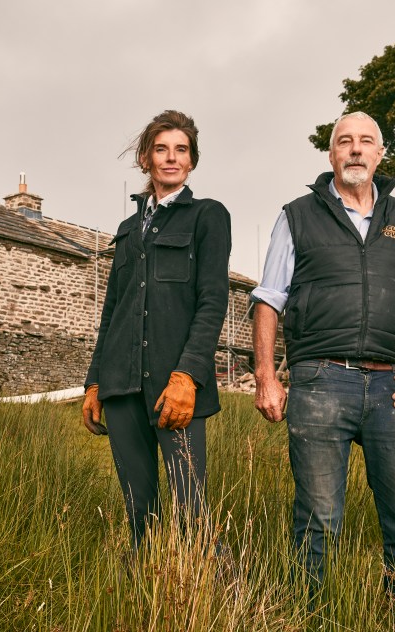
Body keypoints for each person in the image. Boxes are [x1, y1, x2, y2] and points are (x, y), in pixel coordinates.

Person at [251, 111, 395, 605]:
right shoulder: (297, 214)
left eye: (366, 142)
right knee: (319, 517)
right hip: (320, 381)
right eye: (345, 141)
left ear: (380, 155)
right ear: (332, 154)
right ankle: (307, 611)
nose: (355, 149)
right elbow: (269, 297)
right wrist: (265, 375)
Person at [82, 109, 231, 549]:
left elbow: (212, 302)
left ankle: (224, 600)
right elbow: (111, 312)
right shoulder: (128, 230)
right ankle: (146, 598)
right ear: (145, 158)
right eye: (161, 149)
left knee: (191, 510)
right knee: (139, 510)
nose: (171, 158)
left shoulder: (208, 216)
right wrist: (94, 381)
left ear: (192, 161)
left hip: (176, 388)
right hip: (121, 385)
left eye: (181, 150)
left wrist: (188, 375)